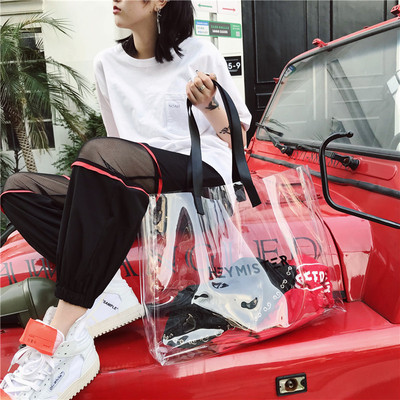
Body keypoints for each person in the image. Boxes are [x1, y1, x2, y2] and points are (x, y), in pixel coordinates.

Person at [0, 0, 252, 399]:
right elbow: (118, 140)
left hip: (198, 171)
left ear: (159, 2)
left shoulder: (200, 54)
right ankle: (108, 285)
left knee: (100, 154)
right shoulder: (107, 63)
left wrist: (209, 105)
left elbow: (236, 139)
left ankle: (64, 334)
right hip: (133, 174)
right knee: (18, 190)